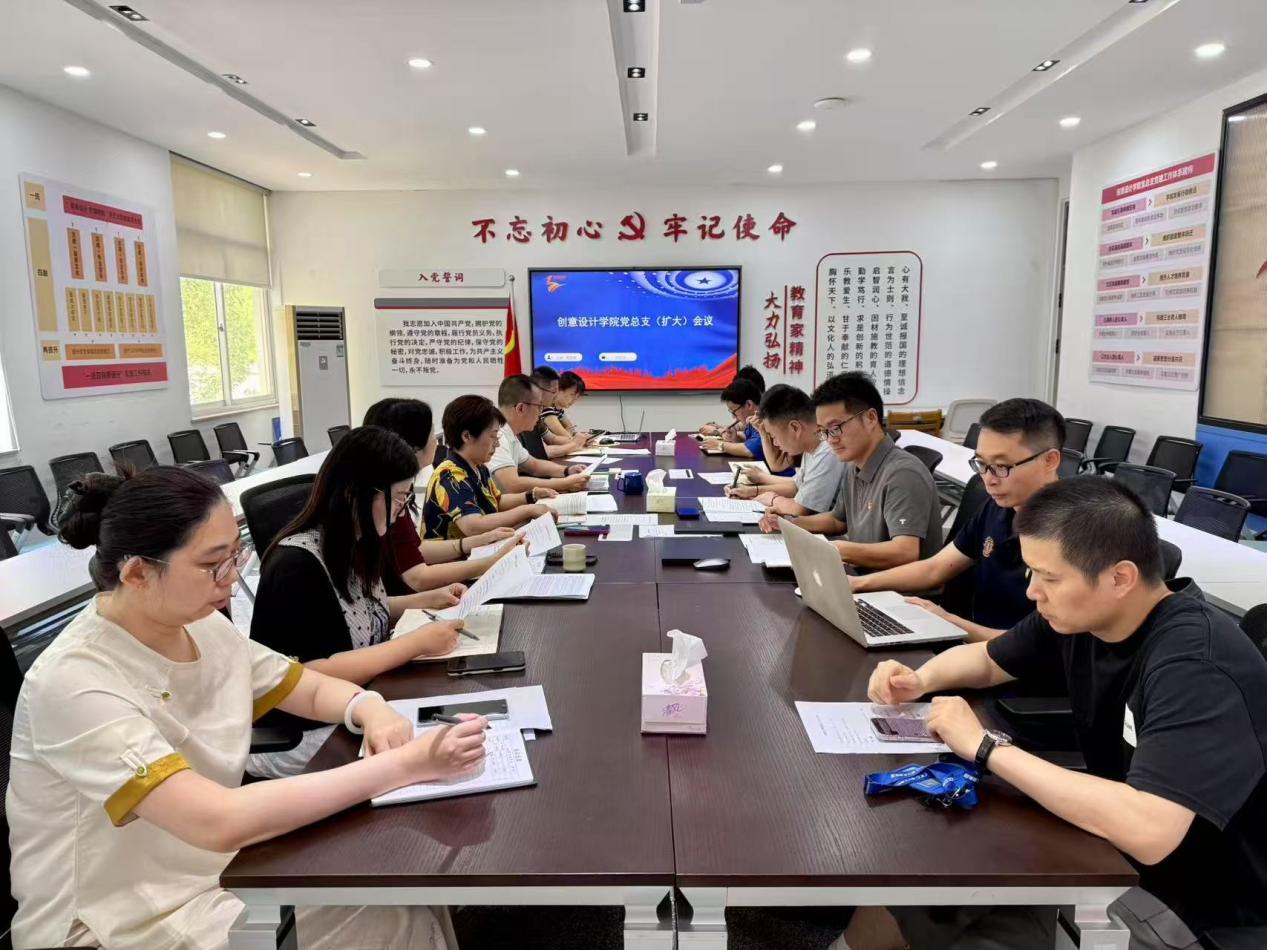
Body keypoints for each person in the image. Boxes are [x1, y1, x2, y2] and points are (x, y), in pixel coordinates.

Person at [8, 465, 486, 950]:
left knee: (397, 883)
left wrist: (370, 706)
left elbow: (307, 689)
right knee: (386, 908)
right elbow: (217, 819)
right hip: (114, 920)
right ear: (137, 574)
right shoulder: (75, 681)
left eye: (235, 556)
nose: (232, 578)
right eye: (213, 565)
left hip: (208, 869)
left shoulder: (199, 624)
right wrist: (404, 766)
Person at [868, 477, 1267, 947]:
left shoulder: (1197, 664)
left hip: (1202, 904)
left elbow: (1151, 830)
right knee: (938, 863)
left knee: (965, 894)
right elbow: (989, 660)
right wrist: (920, 680)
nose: (1033, 592)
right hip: (1113, 844)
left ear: (1120, 578)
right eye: (1032, 573)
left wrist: (985, 746)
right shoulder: (1082, 616)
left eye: (1049, 578)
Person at [248, 426, 482, 778]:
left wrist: (426, 600)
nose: (402, 511)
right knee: (435, 756)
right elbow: (312, 673)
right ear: (356, 494)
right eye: (399, 498)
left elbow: (360, 612)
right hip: (303, 733)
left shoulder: (356, 540)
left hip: (359, 702)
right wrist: (414, 644)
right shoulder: (296, 566)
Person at [849, 398, 1064, 641]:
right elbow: (935, 568)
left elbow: (1043, 649)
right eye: (982, 464)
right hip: (977, 647)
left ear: (1050, 460)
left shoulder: (1072, 535)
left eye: (1002, 466)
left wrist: (951, 623)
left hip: (1011, 658)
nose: (989, 479)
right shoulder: (995, 508)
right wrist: (857, 584)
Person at [766, 372, 941, 571]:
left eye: (835, 428)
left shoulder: (903, 474)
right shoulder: (854, 465)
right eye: (824, 431)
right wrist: (789, 522)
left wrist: (838, 550)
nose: (831, 439)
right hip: (861, 575)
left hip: (894, 588)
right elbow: (837, 521)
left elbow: (905, 552)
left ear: (870, 418)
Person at [362, 398, 520, 593]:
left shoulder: (396, 492)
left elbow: (416, 549)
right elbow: (416, 577)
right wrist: (491, 562)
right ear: (410, 446)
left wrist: (475, 542)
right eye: (431, 433)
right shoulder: (386, 499)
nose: (436, 441)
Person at [423, 393, 557, 541]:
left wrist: (531, 495)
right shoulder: (450, 475)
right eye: (493, 436)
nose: (497, 444)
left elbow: (496, 501)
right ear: (467, 436)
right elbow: (473, 526)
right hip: (456, 554)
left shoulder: (478, 466)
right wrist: (527, 510)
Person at [725, 384, 844, 517]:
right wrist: (752, 491)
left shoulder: (827, 451)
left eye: (774, 436)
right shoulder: (811, 446)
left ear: (795, 428)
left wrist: (772, 498)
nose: (775, 442)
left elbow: (801, 509)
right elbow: (796, 486)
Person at [489, 375, 591, 495]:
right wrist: (564, 483)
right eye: (539, 406)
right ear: (521, 408)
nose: (541, 413)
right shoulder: (497, 435)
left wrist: (567, 470)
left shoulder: (510, 432)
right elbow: (511, 485)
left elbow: (534, 465)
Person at [700, 378, 795, 473]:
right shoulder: (752, 421)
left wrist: (720, 445)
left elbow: (751, 450)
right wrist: (736, 438)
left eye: (734, 412)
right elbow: (750, 438)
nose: (733, 417)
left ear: (749, 404)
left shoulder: (764, 420)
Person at [526, 365, 590, 460]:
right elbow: (544, 451)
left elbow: (552, 439)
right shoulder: (531, 412)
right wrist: (575, 444)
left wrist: (578, 442)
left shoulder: (538, 412)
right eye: (554, 391)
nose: (555, 395)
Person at [699, 365, 766, 436]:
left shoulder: (768, 414)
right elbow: (742, 427)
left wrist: (717, 431)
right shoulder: (754, 414)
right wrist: (720, 428)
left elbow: (752, 437)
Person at [543, 370, 587, 438]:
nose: (574, 400)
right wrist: (569, 434)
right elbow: (565, 436)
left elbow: (570, 428)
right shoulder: (546, 407)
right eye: (572, 395)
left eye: (577, 397)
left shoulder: (558, 409)